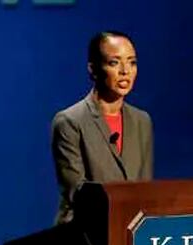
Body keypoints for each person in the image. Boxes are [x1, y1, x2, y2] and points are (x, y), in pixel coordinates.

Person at [52, 30, 153, 224]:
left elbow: (144, 189)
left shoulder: (142, 121)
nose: (125, 71)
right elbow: (76, 192)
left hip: (129, 229)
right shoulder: (69, 121)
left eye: (132, 62)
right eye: (114, 62)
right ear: (93, 69)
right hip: (82, 230)